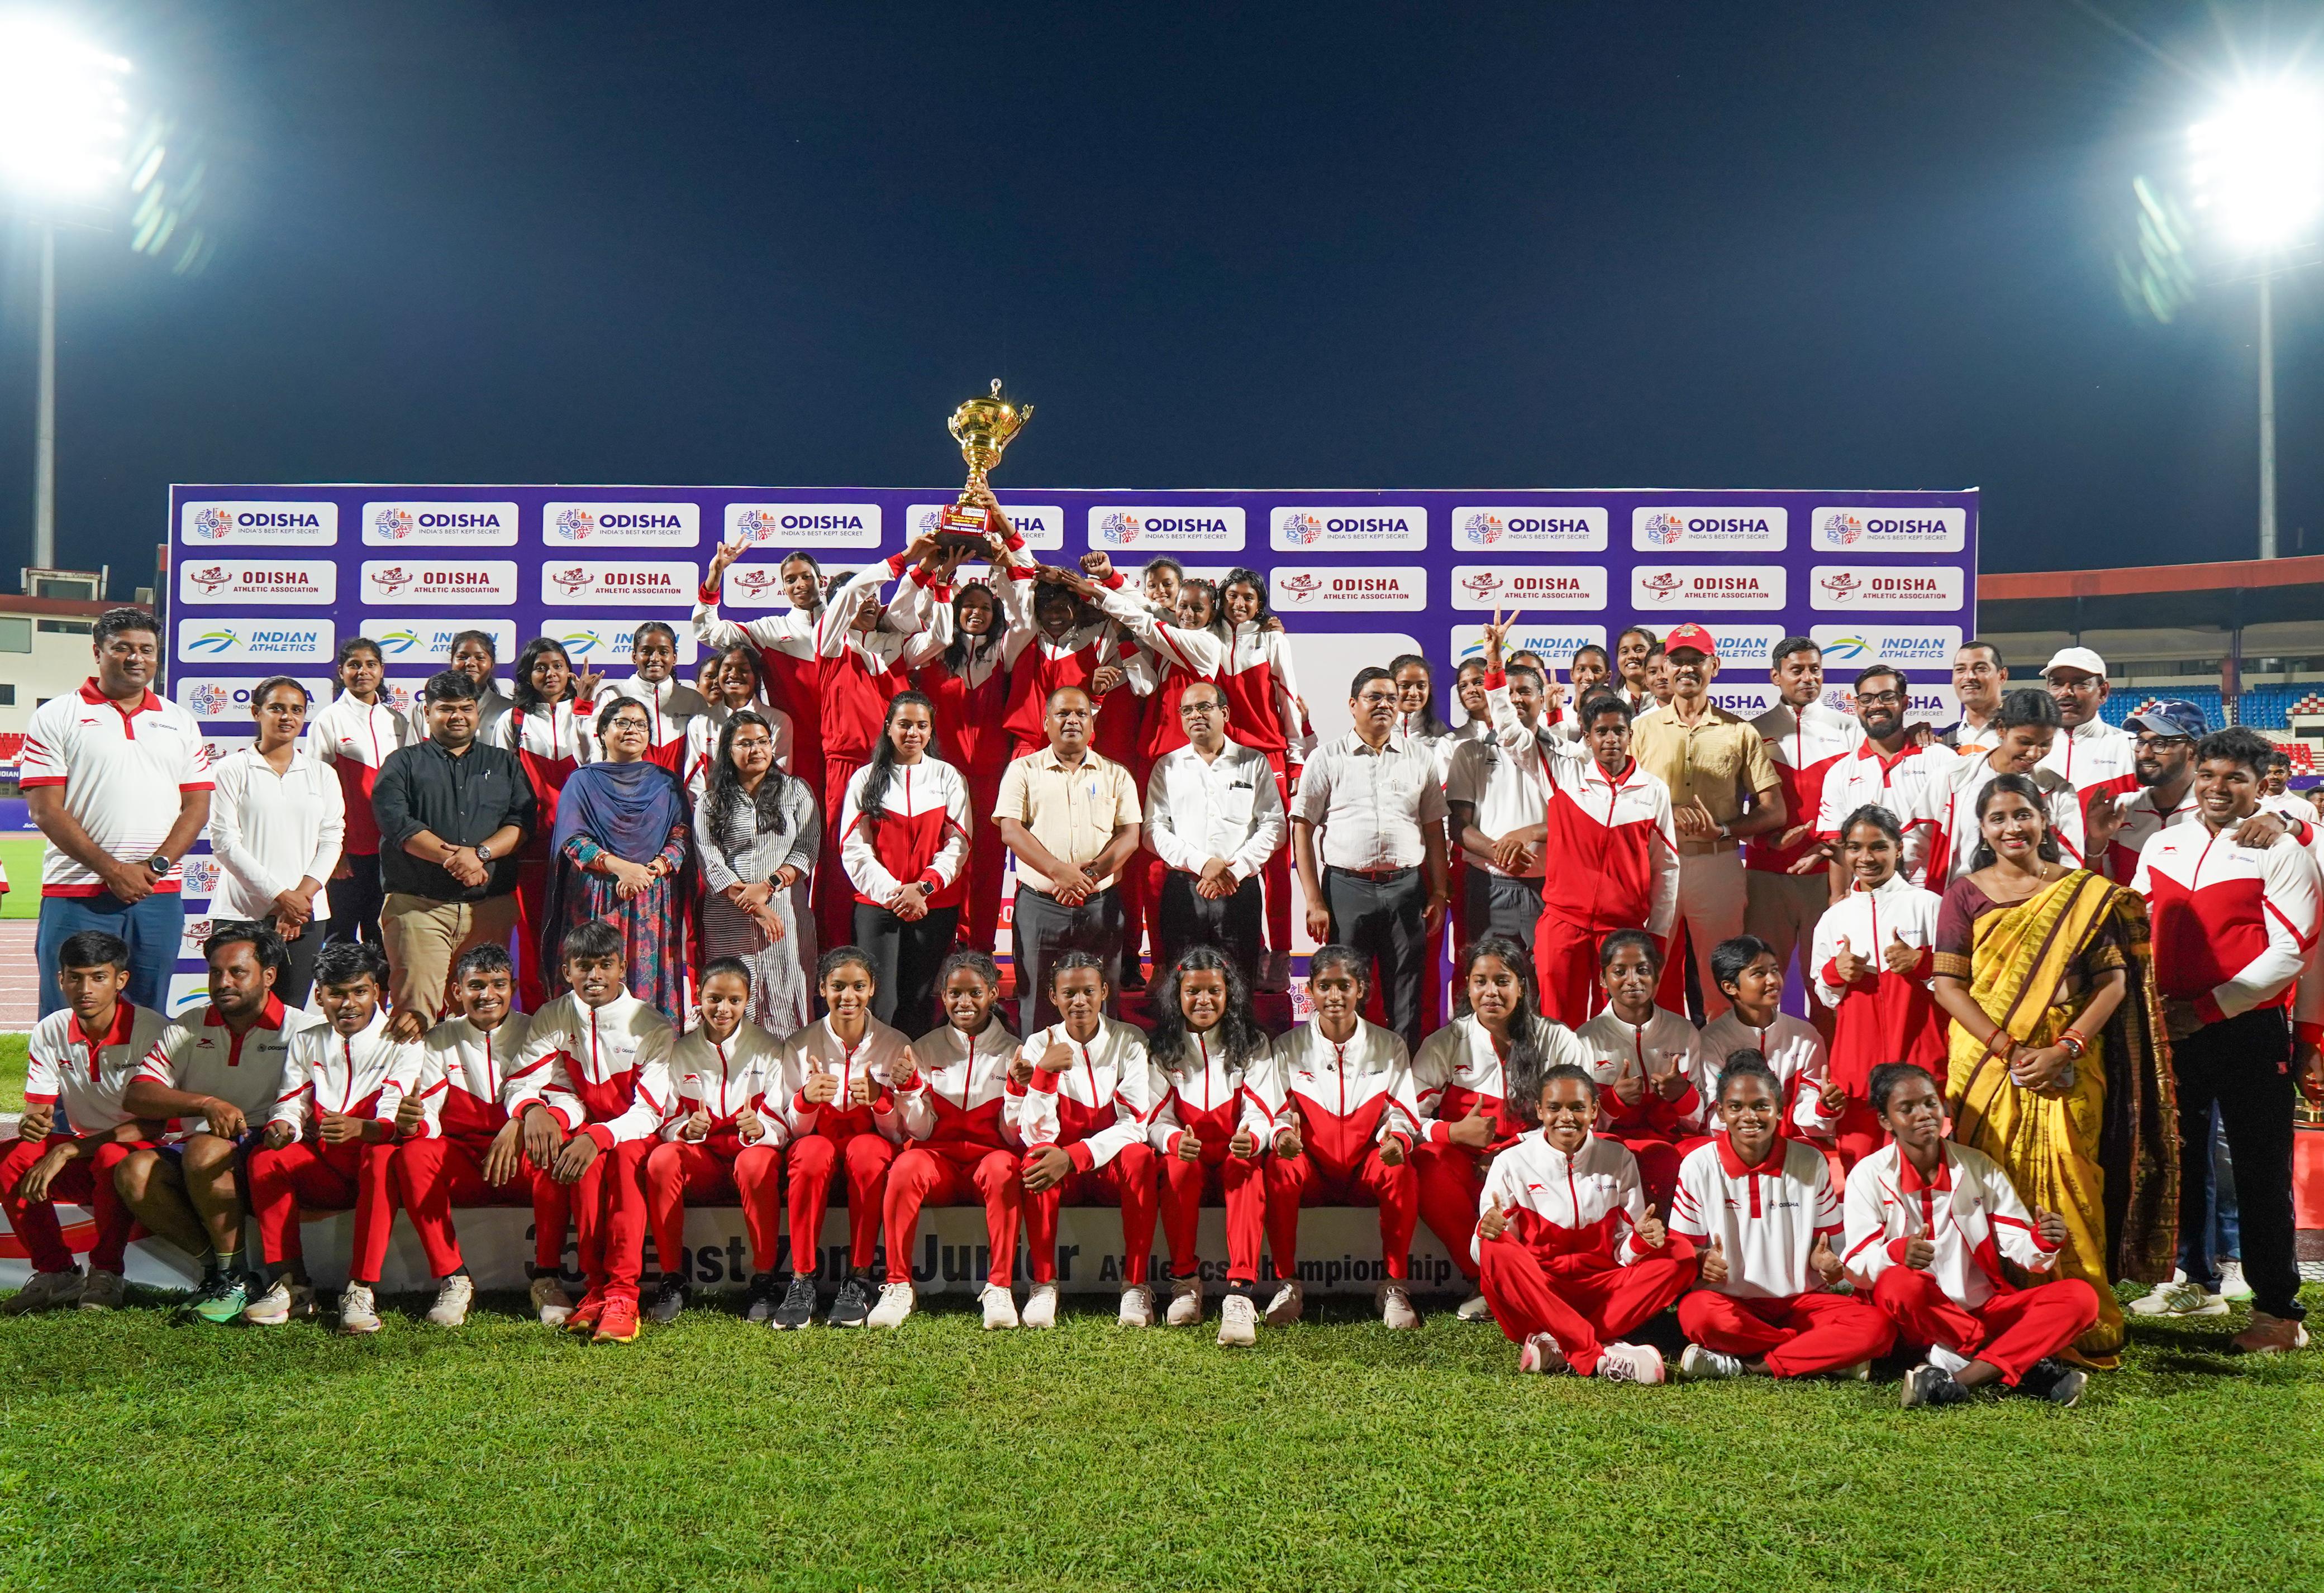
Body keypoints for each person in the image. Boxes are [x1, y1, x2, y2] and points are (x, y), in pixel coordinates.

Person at [1930, 771, 2174, 1366]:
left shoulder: (2082, 892)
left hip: (2068, 1057)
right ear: (1981, 830)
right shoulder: (1964, 893)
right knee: (1989, 1177)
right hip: (1988, 1063)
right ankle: (1998, 1311)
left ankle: (2081, 1314)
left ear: (2043, 818)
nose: (2010, 827)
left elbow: (2113, 980)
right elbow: (1946, 983)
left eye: (2021, 814)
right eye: (1997, 818)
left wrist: (2064, 1046)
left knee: (2072, 1171)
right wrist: (2007, 1049)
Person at [2130, 727, 2321, 1353]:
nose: (2217, 788)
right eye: (2208, 774)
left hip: (2245, 1030)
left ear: (2258, 781)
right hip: (2168, 1029)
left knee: (2259, 1171)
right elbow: (2133, 926)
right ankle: (2188, 1277)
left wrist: (2208, 1008)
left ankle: (2277, 1312)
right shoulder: (2162, 843)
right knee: (2171, 1160)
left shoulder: (2277, 846)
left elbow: (2291, 948)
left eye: (2233, 778)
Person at [1844, 1063, 2099, 1408]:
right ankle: (2020, 1365)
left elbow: (2022, 1248)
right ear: (1886, 1122)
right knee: (1899, 1284)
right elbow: (1855, 1268)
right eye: (1907, 1109)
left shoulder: (1978, 1166)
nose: (1924, 1115)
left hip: (1985, 1308)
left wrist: (2042, 1241)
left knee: (2080, 1298)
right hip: (1921, 1321)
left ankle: (1955, 1381)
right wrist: (1896, 1252)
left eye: (1930, 1103)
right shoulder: (1869, 1175)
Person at [117, 921, 317, 1323]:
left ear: (270, 976)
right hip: (203, 1149)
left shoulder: (302, 1028)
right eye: (215, 972)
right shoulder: (191, 1024)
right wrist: (205, 1103)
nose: (223, 982)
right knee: (133, 1171)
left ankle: (234, 1279)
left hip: (270, 1148)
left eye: (237, 972)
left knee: (205, 1146)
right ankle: (227, 1275)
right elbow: (137, 1094)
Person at [1475, 638, 1680, 1026]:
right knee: (1558, 1027)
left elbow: (1667, 868)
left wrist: (1657, 936)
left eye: (1619, 731)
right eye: (1601, 732)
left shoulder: (1653, 791)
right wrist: (1494, 666)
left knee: (1615, 1030)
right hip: (1563, 924)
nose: (1611, 739)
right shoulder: (1564, 775)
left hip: (1621, 930)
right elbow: (1509, 731)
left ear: (1630, 735)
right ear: (1586, 736)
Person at [22, 606, 213, 1016]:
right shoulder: (57, 715)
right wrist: (112, 870)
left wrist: (156, 867)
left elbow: (197, 806)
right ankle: (62, 1084)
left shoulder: (180, 721)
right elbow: (45, 810)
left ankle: (138, 1085)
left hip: (156, 894)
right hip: (77, 893)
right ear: (98, 652)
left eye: (147, 649)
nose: (136, 658)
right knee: (68, 1016)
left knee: (147, 1016)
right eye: (122, 648)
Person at [1669, 1052, 1895, 1380]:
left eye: (1761, 1105)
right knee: (1697, 1315)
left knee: (1877, 1326)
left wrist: (1825, 1263)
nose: (1749, 1117)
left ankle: (1749, 1365)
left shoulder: (1810, 1160)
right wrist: (1701, 1257)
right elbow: (1682, 1248)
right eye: (1736, 1107)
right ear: (1720, 1112)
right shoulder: (1699, 1164)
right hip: (1731, 1303)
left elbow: (1826, 1248)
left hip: (1800, 1303)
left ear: (1779, 1107)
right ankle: (1816, 1353)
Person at [506, 920, 678, 1345]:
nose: (595, 976)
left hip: (634, 1134)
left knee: (621, 1165)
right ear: (567, 972)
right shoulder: (553, 1016)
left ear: (623, 968)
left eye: (605, 965)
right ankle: (596, 1290)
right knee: (580, 1171)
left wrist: (599, 1135)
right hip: (586, 1131)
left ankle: (623, 1296)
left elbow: (651, 1110)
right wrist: (531, 1111)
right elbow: (521, 1082)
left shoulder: (651, 1025)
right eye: (584, 966)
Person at [383, 942, 567, 1329]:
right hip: (464, 1162)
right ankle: (454, 1277)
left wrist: (519, 1122)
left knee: (555, 1150)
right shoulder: (439, 1038)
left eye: (498, 984)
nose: (488, 995)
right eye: (476, 986)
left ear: (512, 986)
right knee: (412, 1155)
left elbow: (563, 1096)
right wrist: (412, 1123)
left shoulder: (537, 1029)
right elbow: (429, 1114)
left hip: (522, 1160)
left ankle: (547, 1278)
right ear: (457, 991)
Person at [1474, 1063, 1697, 1381]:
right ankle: (1595, 1354)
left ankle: (1558, 1344)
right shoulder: (1511, 1162)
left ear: (1594, 1110)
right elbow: (1492, 1255)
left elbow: (1624, 1252)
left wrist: (1641, 1240)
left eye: (1578, 1107)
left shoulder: (1617, 1158)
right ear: (1540, 1110)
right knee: (1493, 1246)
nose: (1566, 1117)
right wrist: (1490, 1228)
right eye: (1554, 1108)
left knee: (1681, 1253)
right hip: (1537, 1297)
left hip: (1602, 1293)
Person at [1412, 934, 1591, 1320]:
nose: (1491, 992)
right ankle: (1487, 1281)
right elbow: (1406, 1117)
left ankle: (1549, 1280)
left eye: (1502, 981)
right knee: (1428, 1162)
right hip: (1468, 1159)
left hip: (1537, 1159)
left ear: (1522, 987)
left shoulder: (1557, 1039)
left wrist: (1519, 1150)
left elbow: (1583, 1117)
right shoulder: (1447, 1041)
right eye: (1480, 981)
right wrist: (1452, 1133)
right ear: (1469, 987)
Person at [241, 941, 413, 1333]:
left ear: (377, 993)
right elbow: (290, 1101)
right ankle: (292, 1286)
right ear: (319, 996)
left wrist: (361, 1128)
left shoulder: (404, 1039)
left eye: (359, 992)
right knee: (265, 1159)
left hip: (378, 1172)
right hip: (326, 1170)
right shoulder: (308, 1038)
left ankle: (361, 1289)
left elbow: (393, 1113)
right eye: (336, 993)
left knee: (383, 1156)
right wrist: (283, 1126)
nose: (348, 1004)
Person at [1254, 944, 1426, 1328]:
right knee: (1280, 1166)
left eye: (1344, 986)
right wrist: (1282, 1135)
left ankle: (1395, 1287)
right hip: (1313, 1168)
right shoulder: (1286, 1047)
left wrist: (1398, 1139)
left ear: (1361, 989)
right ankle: (1287, 1284)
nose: (1334, 996)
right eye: (1325, 986)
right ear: (1310, 990)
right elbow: (1275, 1111)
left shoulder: (1389, 1045)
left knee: (1401, 1170)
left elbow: (1403, 1111)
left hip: (1365, 1168)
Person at [2, 932, 170, 1314]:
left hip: (151, 1160)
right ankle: (56, 1272)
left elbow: (153, 1127)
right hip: (86, 1154)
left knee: (112, 1156)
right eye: (74, 977)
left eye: (98, 977)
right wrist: (34, 1125)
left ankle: (107, 1273)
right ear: (60, 980)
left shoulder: (152, 1031)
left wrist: (68, 1148)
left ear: (120, 981)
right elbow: (39, 1110)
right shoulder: (51, 1029)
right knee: (12, 1157)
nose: (85, 989)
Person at [1628, 624, 1787, 1021]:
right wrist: (1661, 815)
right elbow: (1620, 798)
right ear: (1664, 667)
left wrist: (1726, 830)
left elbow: (1774, 811)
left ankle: (1727, 1073)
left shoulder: (1741, 732)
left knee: (1723, 977)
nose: (1686, 669)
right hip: (1655, 866)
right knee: (1651, 974)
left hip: (1717, 866)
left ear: (1713, 666)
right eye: (1677, 661)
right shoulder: (1641, 728)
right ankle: (1659, 1071)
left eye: (1695, 661)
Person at [1291, 667, 1451, 1052]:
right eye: (1374, 697)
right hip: (1346, 888)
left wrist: (1440, 892)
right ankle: (1352, 1073)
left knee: (1406, 990)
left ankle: (1405, 1076)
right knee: (1346, 987)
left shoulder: (1420, 758)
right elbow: (1302, 829)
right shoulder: (1326, 758)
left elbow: (1433, 830)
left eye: (1391, 699)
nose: (1384, 705)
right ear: (1352, 705)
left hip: (1406, 887)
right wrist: (1314, 901)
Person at [372, 670, 535, 1042]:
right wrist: (457, 860)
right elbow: (399, 826)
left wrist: (479, 855)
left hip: (489, 909)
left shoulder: (505, 763)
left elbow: (522, 822)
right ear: (427, 713)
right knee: (413, 1015)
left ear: (478, 712)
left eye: (466, 708)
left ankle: (476, 1098)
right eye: (446, 709)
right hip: (419, 908)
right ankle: (407, 1098)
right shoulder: (402, 763)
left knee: (484, 1017)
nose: (458, 716)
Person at [806, 543, 956, 948]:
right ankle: (837, 951)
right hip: (847, 765)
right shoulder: (831, 643)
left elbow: (942, 635)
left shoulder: (893, 651)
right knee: (844, 865)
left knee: (894, 858)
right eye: (864, 599)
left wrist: (940, 584)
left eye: (877, 600)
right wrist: (904, 558)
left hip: (896, 767)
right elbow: (853, 591)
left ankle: (894, 941)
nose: (872, 603)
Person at [882, 950, 1027, 1330]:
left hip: (988, 1164)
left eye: (975, 993)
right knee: (905, 1166)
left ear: (994, 994)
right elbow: (920, 1132)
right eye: (955, 994)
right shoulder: (925, 1048)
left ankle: (1000, 1287)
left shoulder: (1014, 1052)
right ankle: (898, 1285)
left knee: (1004, 1167)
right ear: (942, 996)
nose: (965, 1003)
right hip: (939, 1166)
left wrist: (1016, 1090)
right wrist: (909, 1089)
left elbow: (1013, 1135)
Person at [1015, 951, 1161, 1329]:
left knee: (1141, 1157)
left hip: (1104, 1167)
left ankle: (1135, 1284)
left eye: (1088, 992)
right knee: (1035, 1158)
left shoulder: (1130, 1040)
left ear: (1104, 993)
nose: (1079, 1001)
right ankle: (1044, 1284)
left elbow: (1135, 1123)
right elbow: (1033, 1134)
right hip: (1062, 1171)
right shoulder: (1037, 1044)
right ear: (1053, 997)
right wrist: (1044, 1075)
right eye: (1069, 993)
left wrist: (1075, 1155)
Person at [639, 957, 788, 1325]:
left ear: (747, 1001)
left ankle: (765, 1280)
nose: (723, 1009)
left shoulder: (769, 1048)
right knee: (661, 1159)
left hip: (749, 1158)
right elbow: (666, 1118)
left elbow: (785, 1121)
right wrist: (685, 1130)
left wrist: (763, 1128)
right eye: (715, 999)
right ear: (699, 998)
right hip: (703, 1161)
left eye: (734, 1000)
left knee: (757, 1163)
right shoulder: (680, 1050)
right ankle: (672, 1278)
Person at [1146, 947, 1283, 1346]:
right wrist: (1173, 1140)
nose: (1203, 1000)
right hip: (1189, 1154)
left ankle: (1239, 1294)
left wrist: (1252, 1138)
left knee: (1247, 1169)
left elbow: (1263, 1111)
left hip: (1232, 1154)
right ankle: (1186, 1283)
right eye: (1193, 992)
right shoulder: (1162, 1048)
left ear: (1229, 994)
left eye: (1213, 991)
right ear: (1178, 995)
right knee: (1176, 1168)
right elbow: (1153, 1117)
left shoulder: (1252, 1043)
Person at [773, 947, 913, 1329]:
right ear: (822, 988)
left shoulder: (894, 1042)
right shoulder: (799, 1044)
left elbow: (903, 1133)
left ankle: (860, 1277)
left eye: (858, 987)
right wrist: (806, 1100)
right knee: (811, 1151)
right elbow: (789, 1130)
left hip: (866, 1147)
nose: (847, 997)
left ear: (872, 991)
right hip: (818, 1143)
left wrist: (881, 1101)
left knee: (869, 1151)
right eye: (838, 987)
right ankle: (801, 1280)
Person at [994, 685, 1144, 1033]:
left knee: (1103, 1006)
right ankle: (1038, 1086)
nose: (1072, 721)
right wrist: (1059, 872)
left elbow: (1129, 837)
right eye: (1063, 714)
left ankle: (1100, 1082)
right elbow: (1011, 832)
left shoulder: (1116, 775)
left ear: (1093, 725)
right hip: (1040, 908)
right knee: (1036, 1006)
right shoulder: (1023, 770)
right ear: (1046, 723)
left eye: (1081, 714)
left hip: (1100, 906)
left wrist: (1086, 876)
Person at [1809, 806, 1945, 1169]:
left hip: (1922, 1062)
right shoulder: (1833, 918)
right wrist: (1836, 973)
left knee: (1928, 1171)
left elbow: (1962, 982)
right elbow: (1824, 994)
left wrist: (1922, 963)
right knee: (1862, 1176)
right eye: (1854, 848)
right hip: (1857, 1075)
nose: (1865, 858)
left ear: (1899, 849)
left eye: (1878, 847)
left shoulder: (1929, 906)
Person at [544, 697, 693, 1015]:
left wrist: (649, 871)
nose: (632, 731)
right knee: (596, 975)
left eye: (640, 725)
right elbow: (573, 841)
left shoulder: (667, 784)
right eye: (622, 723)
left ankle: (648, 1057)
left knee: (646, 989)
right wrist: (622, 869)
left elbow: (681, 836)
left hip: (652, 899)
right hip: (597, 897)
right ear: (601, 732)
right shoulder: (582, 781)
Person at [207, 677, 346, 1008]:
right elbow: (225, 843)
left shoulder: (322, 774)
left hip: (306, 915)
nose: (287, 717)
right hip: (241, 913)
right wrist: (282, 897)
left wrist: (300, 900)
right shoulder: (231, 769)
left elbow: (332, 840)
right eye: (277, 708)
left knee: (289, 1016)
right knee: (237, 1011)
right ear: (257, 712)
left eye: (297, 710)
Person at [841, 690, 971, 1038]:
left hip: (934, 905)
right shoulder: (864, 779)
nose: (913, 733)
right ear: (888, 728)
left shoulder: (949, 777)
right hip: (878, 907)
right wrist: (895, 894)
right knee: (879, 1000)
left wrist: (924, 888)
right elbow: (854, 849)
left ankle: (913, 1078)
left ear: (931, 732)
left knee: (918, 998)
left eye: (921, 726)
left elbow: (958, 844)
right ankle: (876, 1076)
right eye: (904, 725)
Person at [694, 538, 832, 861]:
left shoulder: (850, 625)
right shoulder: (770, 630)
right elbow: (708, 631)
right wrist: (716, 575)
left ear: (822, 580)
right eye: (791, 579)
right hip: (796, 749)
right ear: (783, 587)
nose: (800, 584)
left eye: (806, 576)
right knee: (800, 839)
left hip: (849, 751)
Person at [1144, 678, 1286, 977]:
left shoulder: (1253, 762)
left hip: (1239, 888)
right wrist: (1202, 864)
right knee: (1182, 984)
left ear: (1225, 713)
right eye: (1187, 710)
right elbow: (1153, 830)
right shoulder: (1168, 766)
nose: (1196, 715)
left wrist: (1233, 871)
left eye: (1204, 707)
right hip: (1184, 888)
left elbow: (1274, 825)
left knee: (1238, 983)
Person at [1746, 638, 1861, 1001]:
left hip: (1828, 880)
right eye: (1797, 670)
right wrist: (1765, 843)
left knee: (1829, 985)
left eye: (1815, 670)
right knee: (1759, 983)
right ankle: (1757, 1058)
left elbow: (1863, 803)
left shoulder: (1849, 729)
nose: (1808, 678)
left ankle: (1836, 1060)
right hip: (1765, 878)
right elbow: (1729, 812)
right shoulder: (1750, 731)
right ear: (1776, 676)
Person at [1216, 567, 1311, 989]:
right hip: (1222, 758)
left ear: (1260, 603)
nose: (1240, 604)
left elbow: (1288, 699)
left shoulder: (1273, 639)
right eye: (1233, 596)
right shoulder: (1206, 636)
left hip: (1268, 752)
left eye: (1249, 598)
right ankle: (1246, 950)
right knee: (1231, 848)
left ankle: (1280, 956)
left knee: (1274, 862)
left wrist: (1295, 762)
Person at [696, 710, 818, 1032]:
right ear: (728, 751)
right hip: (728, 918)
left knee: (788, 999)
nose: (756, 750)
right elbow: (711, 862)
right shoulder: (709, 802)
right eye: (745, 744)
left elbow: (806, 850)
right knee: (733, 999)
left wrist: (768, 887)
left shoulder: (796, 791)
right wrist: (756, 905)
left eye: (763, 741)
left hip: (785, 916)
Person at [913, 575, 1017, 956]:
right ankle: (941, 947)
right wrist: (936, 579)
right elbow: (910, 614)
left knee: (988, 865)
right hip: (941, 776)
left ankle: (982, 948)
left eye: (986, 607)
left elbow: (1026, 613)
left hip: (991, 776)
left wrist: (1006, 565)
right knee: (943, 858)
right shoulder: (932, 650)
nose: (976, 613)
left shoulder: (1006, 650)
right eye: (968, 606)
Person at [503, 636, 603, 1007]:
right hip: (532, 847)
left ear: (570, 673)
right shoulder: (512, 720)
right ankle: (535, 1017)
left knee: (582, 934)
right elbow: (502, 784)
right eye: (541, 667)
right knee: (532, 939)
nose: (550, 674)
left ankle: (581, 1014)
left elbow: (596, 763)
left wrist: (583, 709)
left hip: (584, 845)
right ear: (528, 675)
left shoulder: (590, 713)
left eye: (559, 666)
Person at [1574, 929, 1704, 1208]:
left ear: (1657, 975)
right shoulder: (1584, 1039)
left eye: (1642, 970)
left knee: (1707, 1154)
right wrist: (1612, 1103)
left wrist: (1683, 1096)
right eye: (1620, 972)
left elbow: (1700, 1121)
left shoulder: (1684, 1032)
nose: (1632, 981)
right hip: (1611, 1142)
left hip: (1673, 1141)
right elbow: (1577, 1127)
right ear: (1603, 979)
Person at [1912, 688, 2085, 888]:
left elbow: (2071, 865)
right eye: (2025, 742)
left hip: (2033, 908)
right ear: (2001, 729)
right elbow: (1914, 841)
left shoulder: (2059, 791)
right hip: (1963, 904)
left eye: (2045, 743)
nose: (2034, 753)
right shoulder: (1952, 778)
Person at [1809, 663, 1952, 896]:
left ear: (1904, 703)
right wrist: (1838, 898)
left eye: (1887, 697)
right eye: (1867, 699)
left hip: (1936, 895)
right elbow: (1838, 845)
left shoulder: (1942, 760)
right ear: (1856, 706)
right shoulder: (1840, 772)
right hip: (1869, 901)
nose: (1876, 705)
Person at [314, 636, 418, 950]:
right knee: (339, 938)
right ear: (341, 671)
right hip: (349, 851)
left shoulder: (397, 720)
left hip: (390, 849)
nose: (363, 671)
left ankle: (383, 999)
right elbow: (317, 791)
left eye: (371, 665)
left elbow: (410, 785)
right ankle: (339, 1000)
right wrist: (334, 851)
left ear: (382, 670)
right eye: (354, 665)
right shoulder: (328, 720)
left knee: (385, 939)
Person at [1446, 658, 1550, 952]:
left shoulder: (1566, 753)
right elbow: (1457, 824)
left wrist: (1528, 833)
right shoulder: (1470, 752)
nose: (1516, 699)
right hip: (1488, 884)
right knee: (1487, 977)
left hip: (1548, 886)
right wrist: (1502, 854)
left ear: (1542, 699)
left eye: (1525, 692)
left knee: (1542, 982)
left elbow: (1576, 824)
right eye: (1509, 693)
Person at [1696, 936, 1840, 1146]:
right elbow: (1714, 1115)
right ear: (1730, 987)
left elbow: (1809, 1116)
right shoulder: (1712, 1040)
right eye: (1759, 974)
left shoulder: (1806, 1035)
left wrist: (1823, 1108)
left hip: (1790, 1147)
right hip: (1734, 1146)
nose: (1773, 980)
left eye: (1774, 970)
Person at [2084, 700, 2205, 882]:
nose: (2144, 754)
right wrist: (2095, 842)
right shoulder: (2121, 808)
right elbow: (2100, 885)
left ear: (2193, 751)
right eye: (2141, 742)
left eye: (2159, 743)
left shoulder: (2215, 810)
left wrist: (2265, 816)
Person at [683, 644, 794, 803]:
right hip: (715, 819)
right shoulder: (700, 723)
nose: (734, 675)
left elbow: (780, 777)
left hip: (763, 818)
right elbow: (694, 784)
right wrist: (708, 818)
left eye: (743, 669)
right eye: (727, 669)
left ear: (756, 676)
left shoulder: (778, 721)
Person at [2036, 646, 2139, 814]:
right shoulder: (2027, 750)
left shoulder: (2130, 748)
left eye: (2080, 684)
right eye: (2057, 683)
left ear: (2103, 692)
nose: (2066, 692)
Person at [602, 621, 707, 775]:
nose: (655, 658)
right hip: (628, 793)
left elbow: (703, 755)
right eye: (646, 651)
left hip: (680, 795)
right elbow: (596, 752)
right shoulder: (612, 696)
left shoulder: (693, 700)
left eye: (664, 652)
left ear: (675, 658)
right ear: (634, 656)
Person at [403, 628, 511, 746]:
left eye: (480, 658)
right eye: (462, 657)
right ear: (452, 661)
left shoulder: (508, 711)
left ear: (492, 664)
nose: (470, 663)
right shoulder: (424, 709)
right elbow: (413, 756)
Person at [1942, 639, 2007, 751]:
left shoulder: (2019, 732)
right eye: (1960, 669)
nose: (1969, 676)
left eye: (1981, 668)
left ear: (2002, 676)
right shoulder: (1944, 739)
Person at [1614, 625, 1657, 712]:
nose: (1631, 656)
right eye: (1625, 652)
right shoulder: (1610, 702)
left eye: (1639, 650)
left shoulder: (1669, 701)